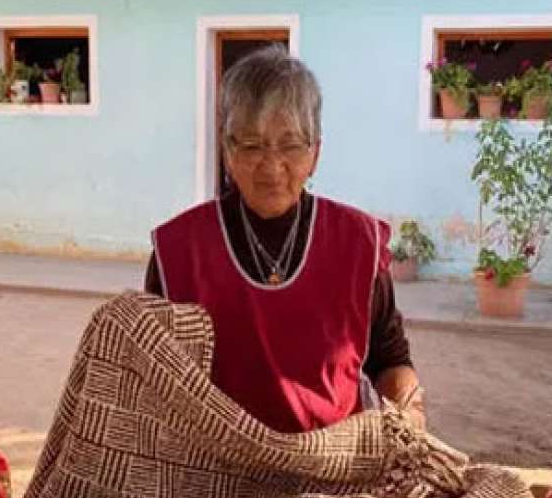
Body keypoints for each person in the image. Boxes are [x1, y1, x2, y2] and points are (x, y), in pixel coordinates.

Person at [146, 45, 424, 433]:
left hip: (332, 469)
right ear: (228, 151)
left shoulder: (359, 244)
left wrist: (408, 413)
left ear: (315, 154)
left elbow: (390, 358)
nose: (272, 166)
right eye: (252, 145)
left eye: (291, 145)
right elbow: (156, 383)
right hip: (216, 471)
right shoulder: (177, 252)